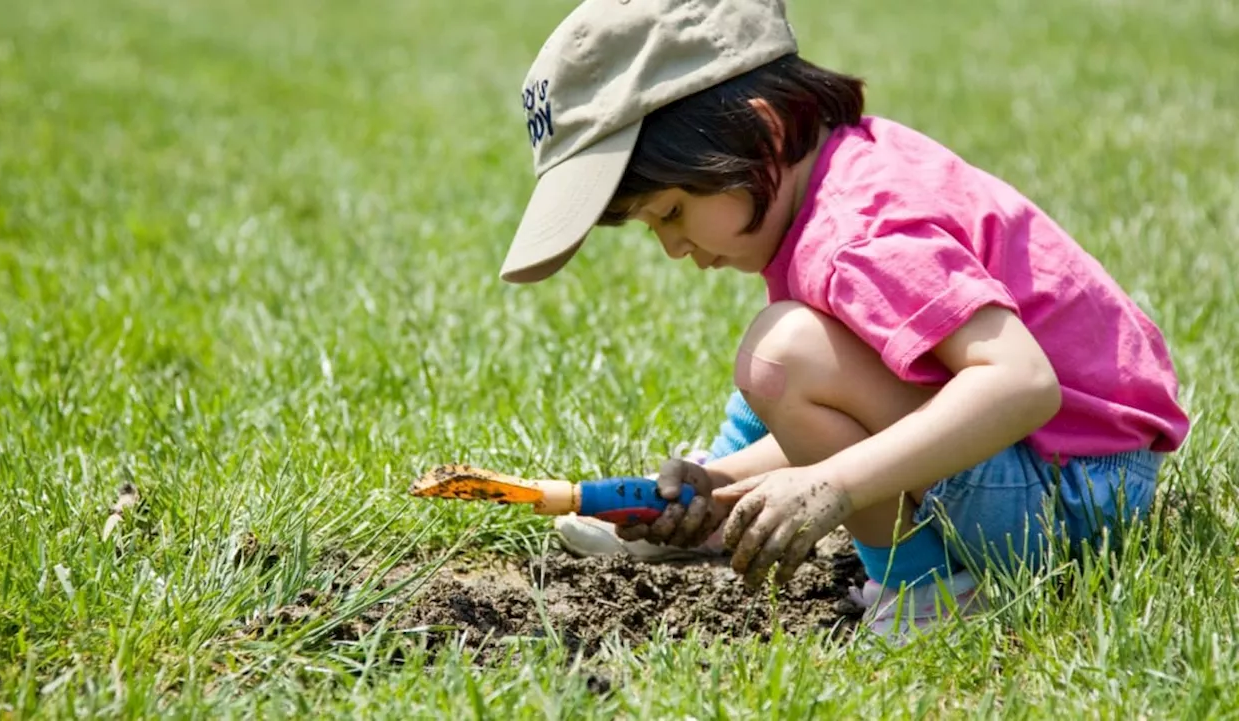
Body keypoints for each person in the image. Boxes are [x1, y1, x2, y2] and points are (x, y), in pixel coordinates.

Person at [498, 0, 1190, 638]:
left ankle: (930, 595)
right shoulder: (826, 181)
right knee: (788, 356)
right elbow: (872, 402)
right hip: (1057, 470)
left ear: (759, 127)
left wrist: (835, 486)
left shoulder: (862, 233)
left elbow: (1021, 383)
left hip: (1070, 494)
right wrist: (721, 486)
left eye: (672, 211)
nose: (674, 246)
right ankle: (734, 520)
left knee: (784, 354)